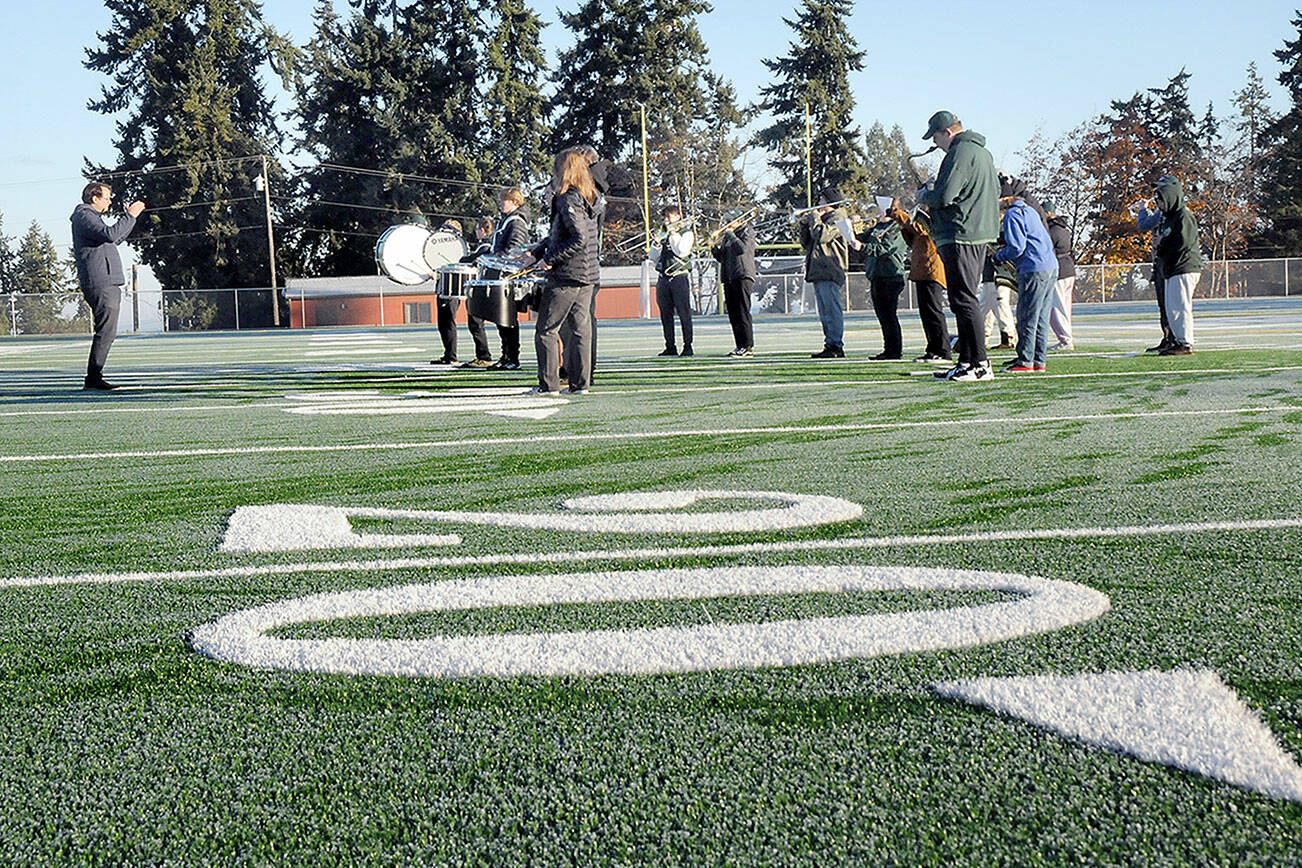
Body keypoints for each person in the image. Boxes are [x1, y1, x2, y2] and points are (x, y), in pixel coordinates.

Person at [917, 111, 1000, 382]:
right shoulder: (982, 154)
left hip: (961, 233)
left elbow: (945, 195)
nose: (936, 144)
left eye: (936, 137)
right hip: (974, 232)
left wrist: (924, 195)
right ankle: (966, 361)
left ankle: (980, 364)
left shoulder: (959, 153)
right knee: (961, 299)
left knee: (963, 300)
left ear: (947, 133)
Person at [521, 150, 598, 395]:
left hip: (567, 275)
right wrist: (538, 251)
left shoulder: (567, 199)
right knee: (579, 330)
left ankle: (549, 385)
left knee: (546, 330)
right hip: (587, 275)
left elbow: (578, 238)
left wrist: (548, 259)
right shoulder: (588, 198)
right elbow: (565, 235)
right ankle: (580, 385)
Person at [70, 181, 145, 390]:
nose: (110, 201)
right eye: (106, 198)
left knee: (107, 332)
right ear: (94, 198)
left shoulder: (90, 217)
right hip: (100, 282)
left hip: (106, 281)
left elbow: (115, 238)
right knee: (106, 332)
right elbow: (110, 234)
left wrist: (131, 219)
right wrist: (129, 215)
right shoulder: (84, 215)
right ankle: (93, 378)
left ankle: (94, 377)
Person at [994, 191, 1059, 373]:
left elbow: (1017, 247)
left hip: (1033, 269)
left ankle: (1025, 361)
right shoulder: (1030, 211)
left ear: (1005, 199)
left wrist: (1000, 256)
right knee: (1041, 318)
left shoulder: (1013, 214)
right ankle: (1039, 360)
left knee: (1026, 317)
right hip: (1050, 267)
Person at [888, 201, 952, 363]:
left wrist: (899, 214)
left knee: (934, 311)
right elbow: (913, 239)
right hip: (922, 270)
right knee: (926, 313)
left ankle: (943, 350)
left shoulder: (936, 218)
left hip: (932, 270)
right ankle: (932, 348)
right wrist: (903, 224)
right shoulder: (924, 219)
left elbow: (921, 230)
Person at [480, 187, 532, 370]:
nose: (501, 203)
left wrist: (495, 259)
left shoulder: (516, 222)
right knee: (502, 318)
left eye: (505, 200)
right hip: (500, 273)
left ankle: (512, 357)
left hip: (507, 275)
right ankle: (506, 355)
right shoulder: (506, 220)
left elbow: (514, 250)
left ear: (515, 202)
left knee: (508, 318)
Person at [1151, 175, 1203, 355]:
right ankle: (1175, 340)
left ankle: (1185, 343)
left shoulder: (1183, 216)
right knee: (1172, 306)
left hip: (1184, 266)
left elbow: (1183, 243)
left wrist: (1163, 243)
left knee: (1180, 306)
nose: (1158, 202)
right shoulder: (1169, 218)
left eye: (1161, 197)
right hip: (1172, 268)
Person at [799, 187, 851, 358]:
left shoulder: (839, 218)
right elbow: (807, 243)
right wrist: (804, 225)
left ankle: (836, 345)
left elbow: (822, 235)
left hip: (830, 268)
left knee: (831, 310)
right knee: (824, 312)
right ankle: (829, 343)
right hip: (819, 269)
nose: (819, 204)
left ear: (829, 203)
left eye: (821, 201)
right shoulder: (822, 219)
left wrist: (815, 218)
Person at [432, 217, 489, 365]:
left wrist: (461, 260)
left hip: (459, 286)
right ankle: (450, 354)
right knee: (446, 322)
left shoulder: (484, 246)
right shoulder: (479, 246)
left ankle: (482, 356)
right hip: (449, 285)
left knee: (472, 323)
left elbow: (470, 260)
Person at [859, 209, 910, 359]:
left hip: (891, 276)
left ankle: (894, 350)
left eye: (882, 211)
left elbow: (887, 248)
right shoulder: (877, 227)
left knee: (889, 315)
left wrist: (863, 247)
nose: (878, 214)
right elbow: (862, 238)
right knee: (883, 316)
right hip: (877, 275)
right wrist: (854, 227)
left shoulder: (896, 228)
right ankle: (888, 349)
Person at [710, 210, 757, 357]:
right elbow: (722, 257)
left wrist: (731, 234)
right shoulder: (728, 236)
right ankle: (739, 345)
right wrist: (713, 247)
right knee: (733, 314)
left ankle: (747, 345)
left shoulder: (747, 231)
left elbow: (742, 249)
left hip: (742, 275)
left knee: (743, 312)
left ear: (738, 221)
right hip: (729, 276)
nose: (726, 224)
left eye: (730, 220)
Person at [655, 206, 696, 356]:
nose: (666, 220)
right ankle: (670, 346)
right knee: (665, 314)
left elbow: (681, 251)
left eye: (669, 217)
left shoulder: (687, 233)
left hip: (679, 277)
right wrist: (657, 244)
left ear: (678, 216)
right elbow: (653, 257)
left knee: (684, 313)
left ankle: (688, 346)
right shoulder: (664, 233)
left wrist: (672, 233)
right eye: (665, 217)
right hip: (663, 278)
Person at [1132, 198, 1171, 352]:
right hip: (1161, 262)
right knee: (1163, 304)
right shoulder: (1162, 214)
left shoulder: (1166, 213)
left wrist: (1142, 209)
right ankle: (1168, 337)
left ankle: (1172, 338)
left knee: (1168, 304)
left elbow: (1144, 225)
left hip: (1167, 263)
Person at [1042, 198, 1077, 351]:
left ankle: (1065, 339)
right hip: (1069, 269)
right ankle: (1066, 337)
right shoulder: (1063, 228)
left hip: (1060, 271)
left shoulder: (1051, 230)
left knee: (1057, 307)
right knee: (1065, 306)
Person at [980, 250, 1017, 349]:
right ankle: (981, 339)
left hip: (1001, 271)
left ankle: (1008, 338)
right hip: (990, 272)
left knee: (1001, 304)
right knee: (984, 306)